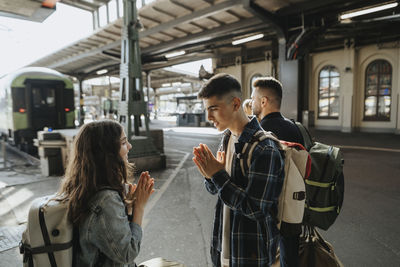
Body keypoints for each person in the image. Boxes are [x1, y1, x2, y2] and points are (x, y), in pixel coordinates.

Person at [192, 73, 284, 267]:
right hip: (224, 248)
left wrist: (216, 175)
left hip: (250, 255)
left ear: (235, 104)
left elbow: (256, 209)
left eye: (214, 109)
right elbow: (217, 189)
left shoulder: (264, 148)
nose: (208, 117)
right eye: (206, 110)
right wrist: (209, 176)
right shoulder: (227, 138)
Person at [57, 120, 155, 267]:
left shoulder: (82, 187)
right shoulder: (105, 200)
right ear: (106, 153)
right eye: (123, 143)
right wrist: (139, 208)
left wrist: (128, 209)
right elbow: (127, 253)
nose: (129, 146)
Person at [251, 76, 304, 267]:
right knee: (289, 256)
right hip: (294, 206)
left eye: (253, 98)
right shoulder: (294, 127)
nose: (251, 102)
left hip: (269, 210)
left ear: (263, 101)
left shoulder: (260, 131)